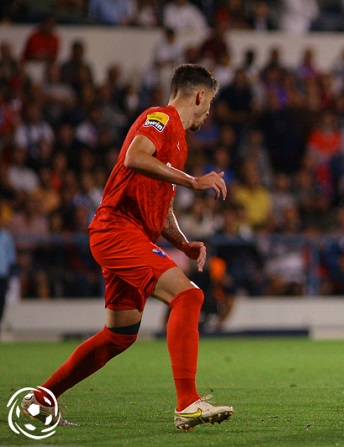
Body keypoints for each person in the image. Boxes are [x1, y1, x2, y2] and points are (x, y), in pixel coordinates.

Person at [21, 64, 234, 431]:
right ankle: (187, 403)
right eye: (209, 103)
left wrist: (182, 241)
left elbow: (161, 205)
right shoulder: (159, 118)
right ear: (198, 95)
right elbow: (134, 157)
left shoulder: (178, 141)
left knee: (119, 335)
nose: (209, 112)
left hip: (129, 234)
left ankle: (40, 398)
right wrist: (194, 182)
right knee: (189, 297)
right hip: (117, 230)